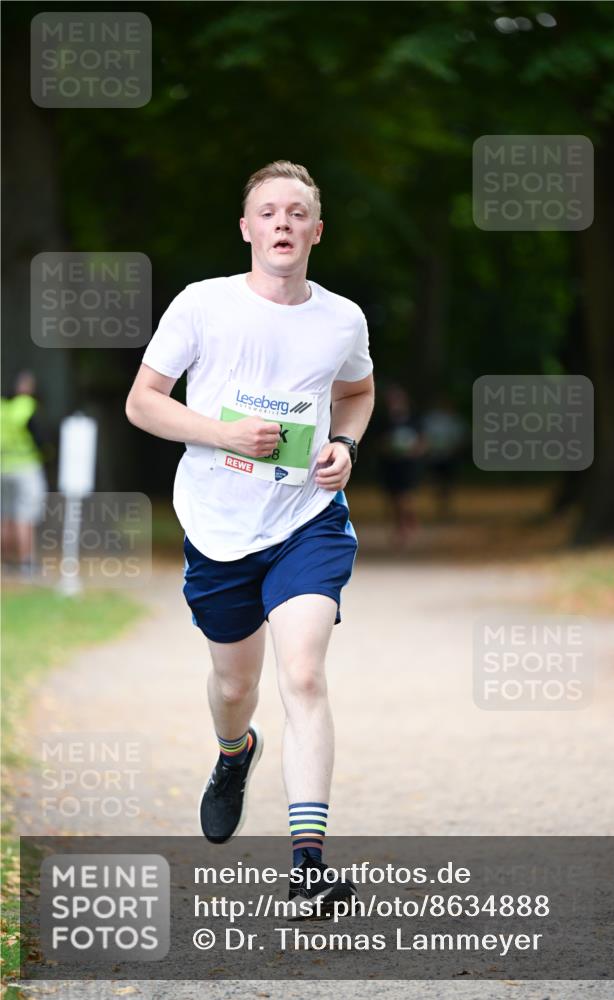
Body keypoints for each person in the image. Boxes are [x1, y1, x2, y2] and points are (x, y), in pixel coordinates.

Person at [126, 161, 374, 916]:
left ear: (316, 231)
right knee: (236, 688)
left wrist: (345, 446)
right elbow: (143, 403)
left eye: (297, 213)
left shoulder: (341, 319)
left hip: (305, 522)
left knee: (301, 674)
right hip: (217, 525)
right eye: (268, 212)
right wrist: (221, 432)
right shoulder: (202, 305)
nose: (282, 224)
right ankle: (235, 753)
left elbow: (356, 392)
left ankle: (306, 863)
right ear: (246, 228)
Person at [1, 371, 48, 576]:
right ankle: (26, 561)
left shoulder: (3, 408)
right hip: (26, 467)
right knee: (25, 516)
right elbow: (41, 439)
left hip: (3, 468)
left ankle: (5, 562)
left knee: (5, 516)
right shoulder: (28, 407)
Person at [376, 382, 423, 548]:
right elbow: (379, 443)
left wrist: (413, 451)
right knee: (393, 500)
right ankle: (402, 524)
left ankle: (403, 529)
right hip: (390, 465)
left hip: (408, 465)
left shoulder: (415, 419)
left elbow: (423, 442)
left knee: (405, 498)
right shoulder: (383, 420)